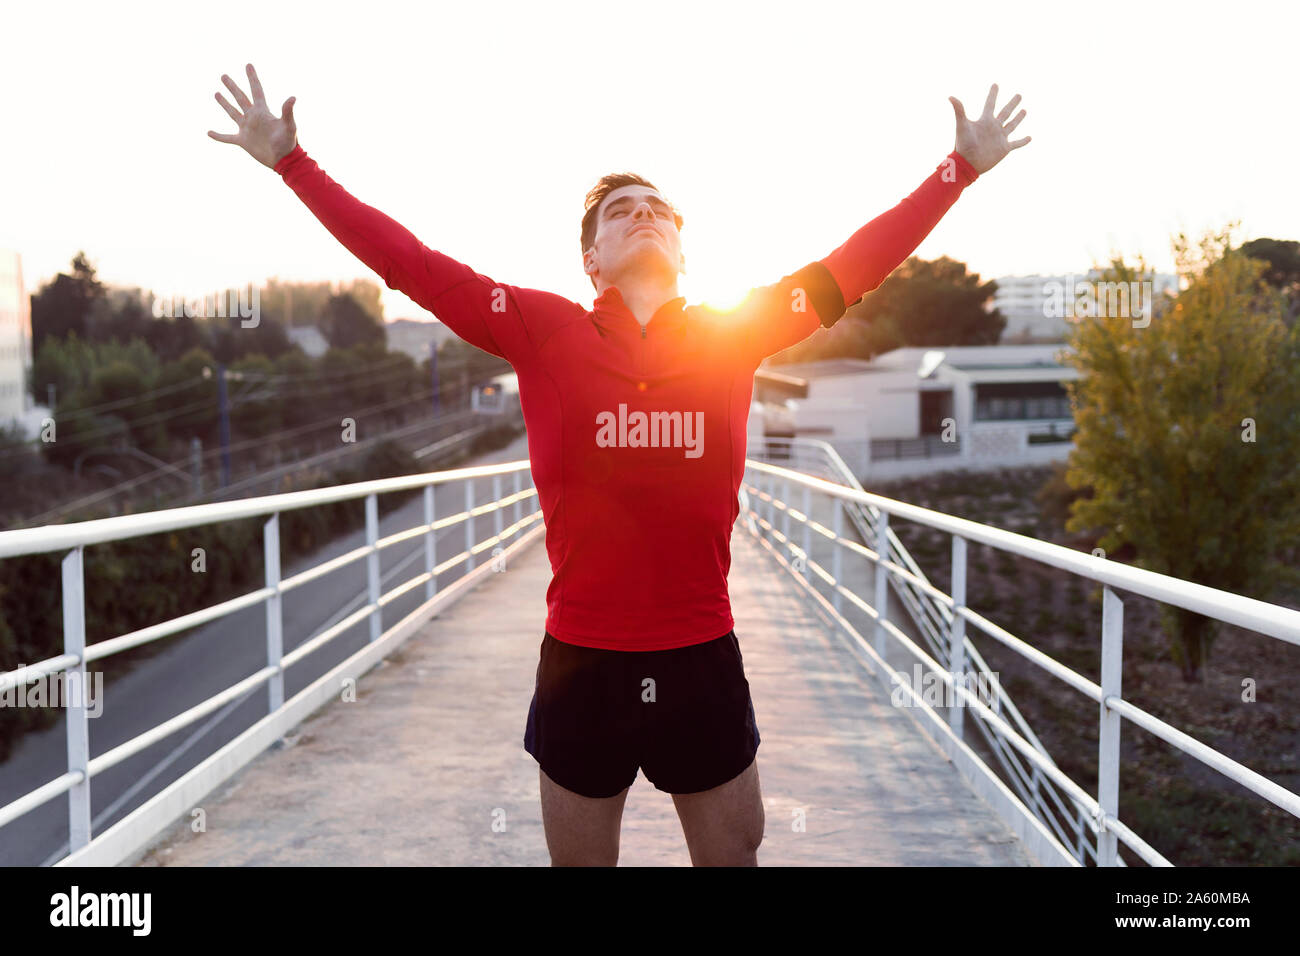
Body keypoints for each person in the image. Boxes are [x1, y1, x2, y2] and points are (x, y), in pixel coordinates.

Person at [209, 64, 1029, 866]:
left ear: (682, 248)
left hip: (701, 653)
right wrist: (292, 162)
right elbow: (409, 264)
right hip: (581, 665)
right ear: (592, 260)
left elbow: (854, 267)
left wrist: (956, 172)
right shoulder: (540, 328)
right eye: (619, 213)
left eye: (658, 212)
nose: (642, 217)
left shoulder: (734, 332)